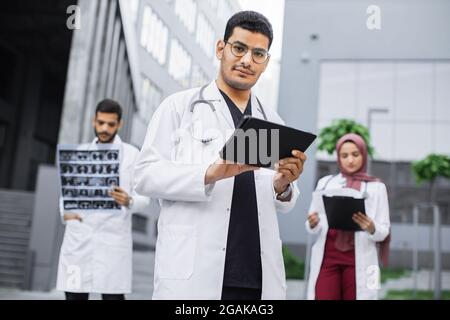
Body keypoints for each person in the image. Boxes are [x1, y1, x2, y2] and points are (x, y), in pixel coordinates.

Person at [133, 11, 307, 300]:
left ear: (265, 61)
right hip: (195, 274)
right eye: (239, 48)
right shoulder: (180, 108)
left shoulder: (272, 120)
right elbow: (145, 176)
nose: (247, 60)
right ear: (220, 48)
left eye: (258, 53)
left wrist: (283, 185)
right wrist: (209, 173)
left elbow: (278, 200)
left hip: (257, 275)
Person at [56, 99, 151, 300]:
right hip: (78, 243)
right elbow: (65, 196)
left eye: (110, 124)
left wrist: (129, 201)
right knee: (74, 296)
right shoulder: (79, 154)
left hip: (113, 243)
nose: (104, 128)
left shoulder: (133, 156)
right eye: (100, 123)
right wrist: (71, 217)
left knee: (113, 297)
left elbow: (145, 198)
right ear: (94, 121)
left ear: (119, 124)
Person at [305, 133, 390, 300]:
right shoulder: (326, 182)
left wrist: (372, 228)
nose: (350, 160)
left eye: (355, 154)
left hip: (363, 259)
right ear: (338, 158)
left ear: (364, 155)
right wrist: (313, 223)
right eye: (344, 155)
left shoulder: (377, 187)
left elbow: (384, 230)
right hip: (327, 257)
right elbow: (311, 222)